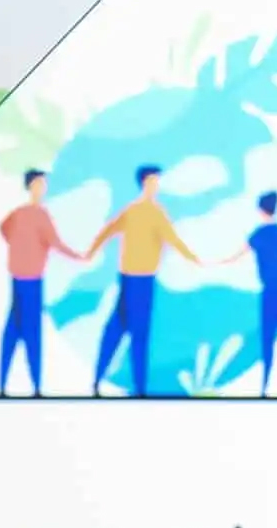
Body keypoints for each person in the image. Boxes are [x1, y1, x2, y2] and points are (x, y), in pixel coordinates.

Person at [86, 163, 200, 397]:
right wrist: (196, 259)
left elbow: (171, 238)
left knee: (119, 329)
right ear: (145, 183)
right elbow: (110, 231)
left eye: (158, 181)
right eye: (154, 180)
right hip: (138, 282)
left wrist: (193, 257)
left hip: (133, 279)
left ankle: (107, 381)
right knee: (135, 332)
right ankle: (134, 388)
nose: (157, 185)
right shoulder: (145, 211)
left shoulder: (145, 211)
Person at [219, 191, 277, 396]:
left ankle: (264, 387)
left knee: (267, 337)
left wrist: (215, 263)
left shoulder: (258, 234)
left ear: (260, 210)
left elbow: (236, 256)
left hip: (271, 291)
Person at [0, 168, 81, 396]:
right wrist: (78, 256)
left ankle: (7, 385)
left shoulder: (22, 214)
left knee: (14, 329)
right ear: (32, 186)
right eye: (41, 184)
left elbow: (4, 230)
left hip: (20, 277)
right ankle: (33, 386)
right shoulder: (35, 215)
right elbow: (55, 242)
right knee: (29, 331)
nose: (44, 188)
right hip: (30, 280)